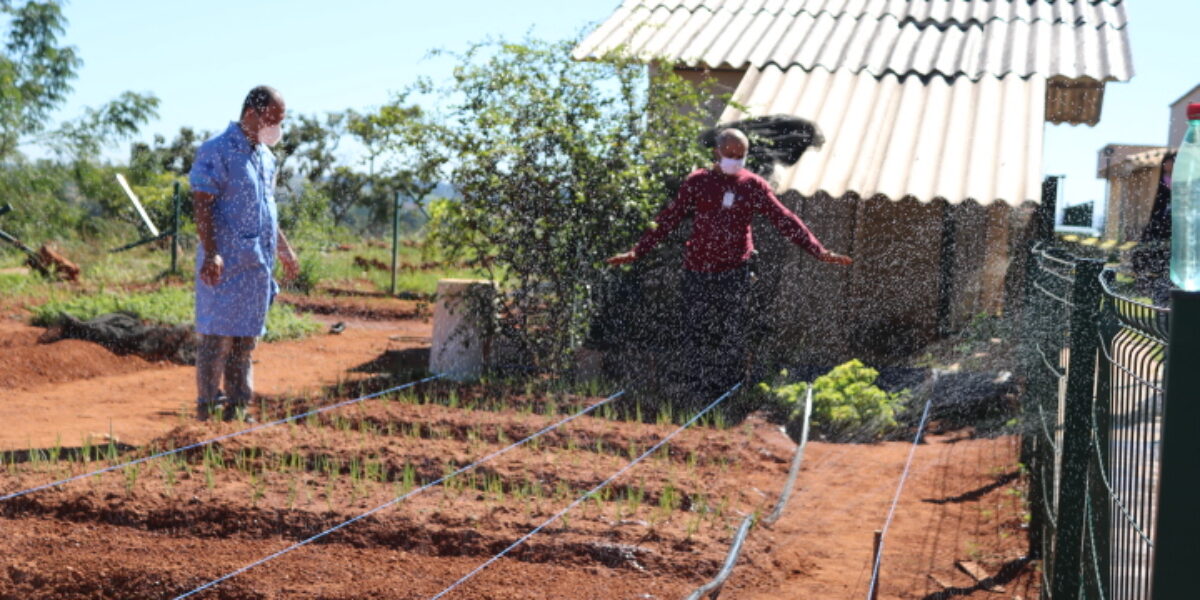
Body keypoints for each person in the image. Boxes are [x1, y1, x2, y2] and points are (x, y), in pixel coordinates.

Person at [607, 128, 851, 400]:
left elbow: (784, 218)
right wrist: (638, 251)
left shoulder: (753, 185)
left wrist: (817, 250)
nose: (735, 159)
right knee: (695, 330)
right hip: (697, 270)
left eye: (740, 155)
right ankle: (690, 390)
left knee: (730, 332)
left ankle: (726, 392)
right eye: (730, 154)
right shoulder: (698, 182)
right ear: (716, 153)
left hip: (735, 270)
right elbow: (669, 218)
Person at [188, 86, 300, 421]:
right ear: (252, 113)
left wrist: (284, 249)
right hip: (224, 265)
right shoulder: (217, 150)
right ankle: (207, 411)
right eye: (273, 119)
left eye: (280, 121)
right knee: (217, 340)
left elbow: (267, 211)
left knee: (245, 342)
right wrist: (211, 252)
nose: (276, 128)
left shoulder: (266, 157)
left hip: (256, 268)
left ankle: (238, 408)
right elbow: (202, 203)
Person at [1132, 152, 1175, 307]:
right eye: (1167, 163)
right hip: (1159, 228)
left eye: (1171, 163)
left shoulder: (1180, 182)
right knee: (1151, 256)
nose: (1168, 166)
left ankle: (1162, 291)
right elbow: (1157, 208)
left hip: (1171, 230)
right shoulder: (1163, 183)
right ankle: (1153, 287)